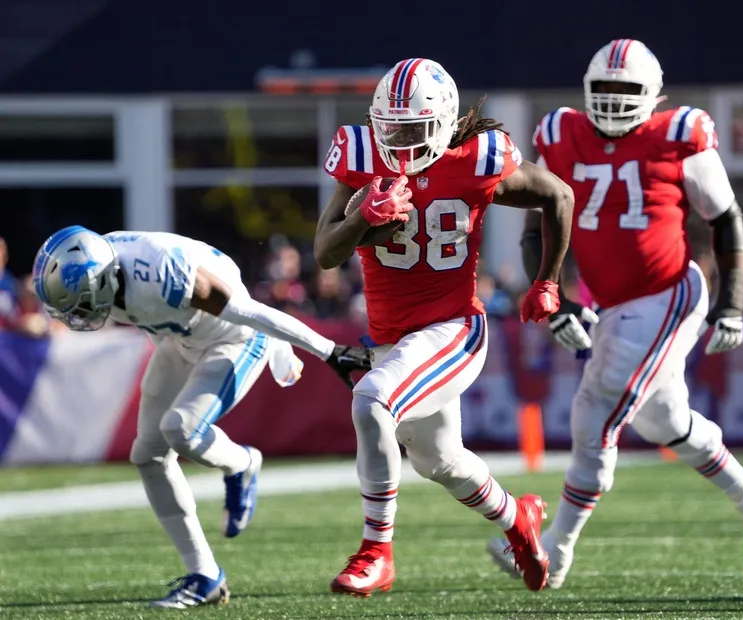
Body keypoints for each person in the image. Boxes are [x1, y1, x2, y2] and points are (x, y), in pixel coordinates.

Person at [487, 38, 743, 589]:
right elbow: (537, 227)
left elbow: (725, 220)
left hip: (666, 293)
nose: (611, 102)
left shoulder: (679, 135)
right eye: (601, 91)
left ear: (654, 95)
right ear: (584, 91)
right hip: (612, 304)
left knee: (594, 410)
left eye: (625, 91)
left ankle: (553, 549)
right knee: (664, 421)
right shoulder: (561, 133)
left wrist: (730, 305)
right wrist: (551, 292)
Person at [314, 57, 575, 596]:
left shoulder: (478, 158)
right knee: (440, 461)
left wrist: (547, 281)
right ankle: (517, 520)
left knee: (372, 400)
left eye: (412, 129)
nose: (399, 141)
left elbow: (559, 195)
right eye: (390, 128)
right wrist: (365, 216)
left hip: (453, 327)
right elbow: (323, 253)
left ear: (444, 123)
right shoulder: (361, 154)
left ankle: (375, 551)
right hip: (393, 338)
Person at [32, 226, 371, 608]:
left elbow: (246, 310)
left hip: (236, 338)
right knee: (148, 454)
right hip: (181, 338)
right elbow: (154, 317)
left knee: (181, 428)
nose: (77, 314)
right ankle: (206, 577)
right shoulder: (103, 267)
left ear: (103, 277)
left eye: (80, 303)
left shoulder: (158, 268)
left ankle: (242, 463)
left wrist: (327, 350)